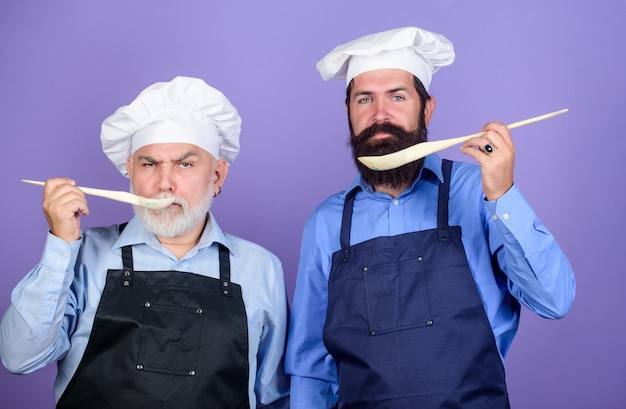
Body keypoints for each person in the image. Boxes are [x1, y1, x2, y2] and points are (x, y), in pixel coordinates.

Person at [285, 26, 576, 408]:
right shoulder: (326, 222)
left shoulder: (478, 190)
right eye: (364, 100)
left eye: (398, 96)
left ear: (428, 108)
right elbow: (310, 367)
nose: (379, 115)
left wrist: (503, 194)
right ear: (348, 112)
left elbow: (554, 301)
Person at [0, 76, 289, 408]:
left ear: (217, 176)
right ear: (130, 171)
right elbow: (18, 358)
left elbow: (274, 398)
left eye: (185, 164)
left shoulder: (261, 268)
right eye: (149, 164)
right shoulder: (82, 254)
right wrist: (60, 244)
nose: (164, 184)